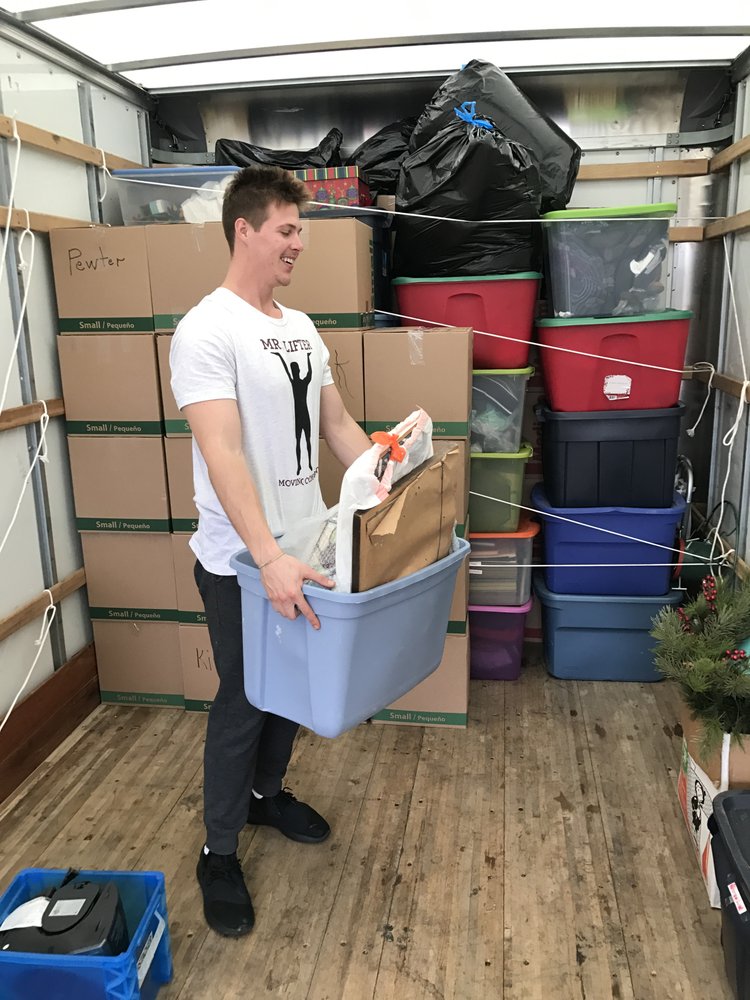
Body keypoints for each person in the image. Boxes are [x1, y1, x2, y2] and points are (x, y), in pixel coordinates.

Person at [169, 165, 371, 938]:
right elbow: (221, 451)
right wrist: (266, 557)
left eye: (300, 230)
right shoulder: (206, 330)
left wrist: (387, 480)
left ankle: (265, 796)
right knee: (246, 699)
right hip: (242, 564)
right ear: (244, 229)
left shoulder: (302, 327)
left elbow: (338, 426)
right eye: (287, 229)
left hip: (305, 547)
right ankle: (218, 852)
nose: (298, 243)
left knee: (292, 692)